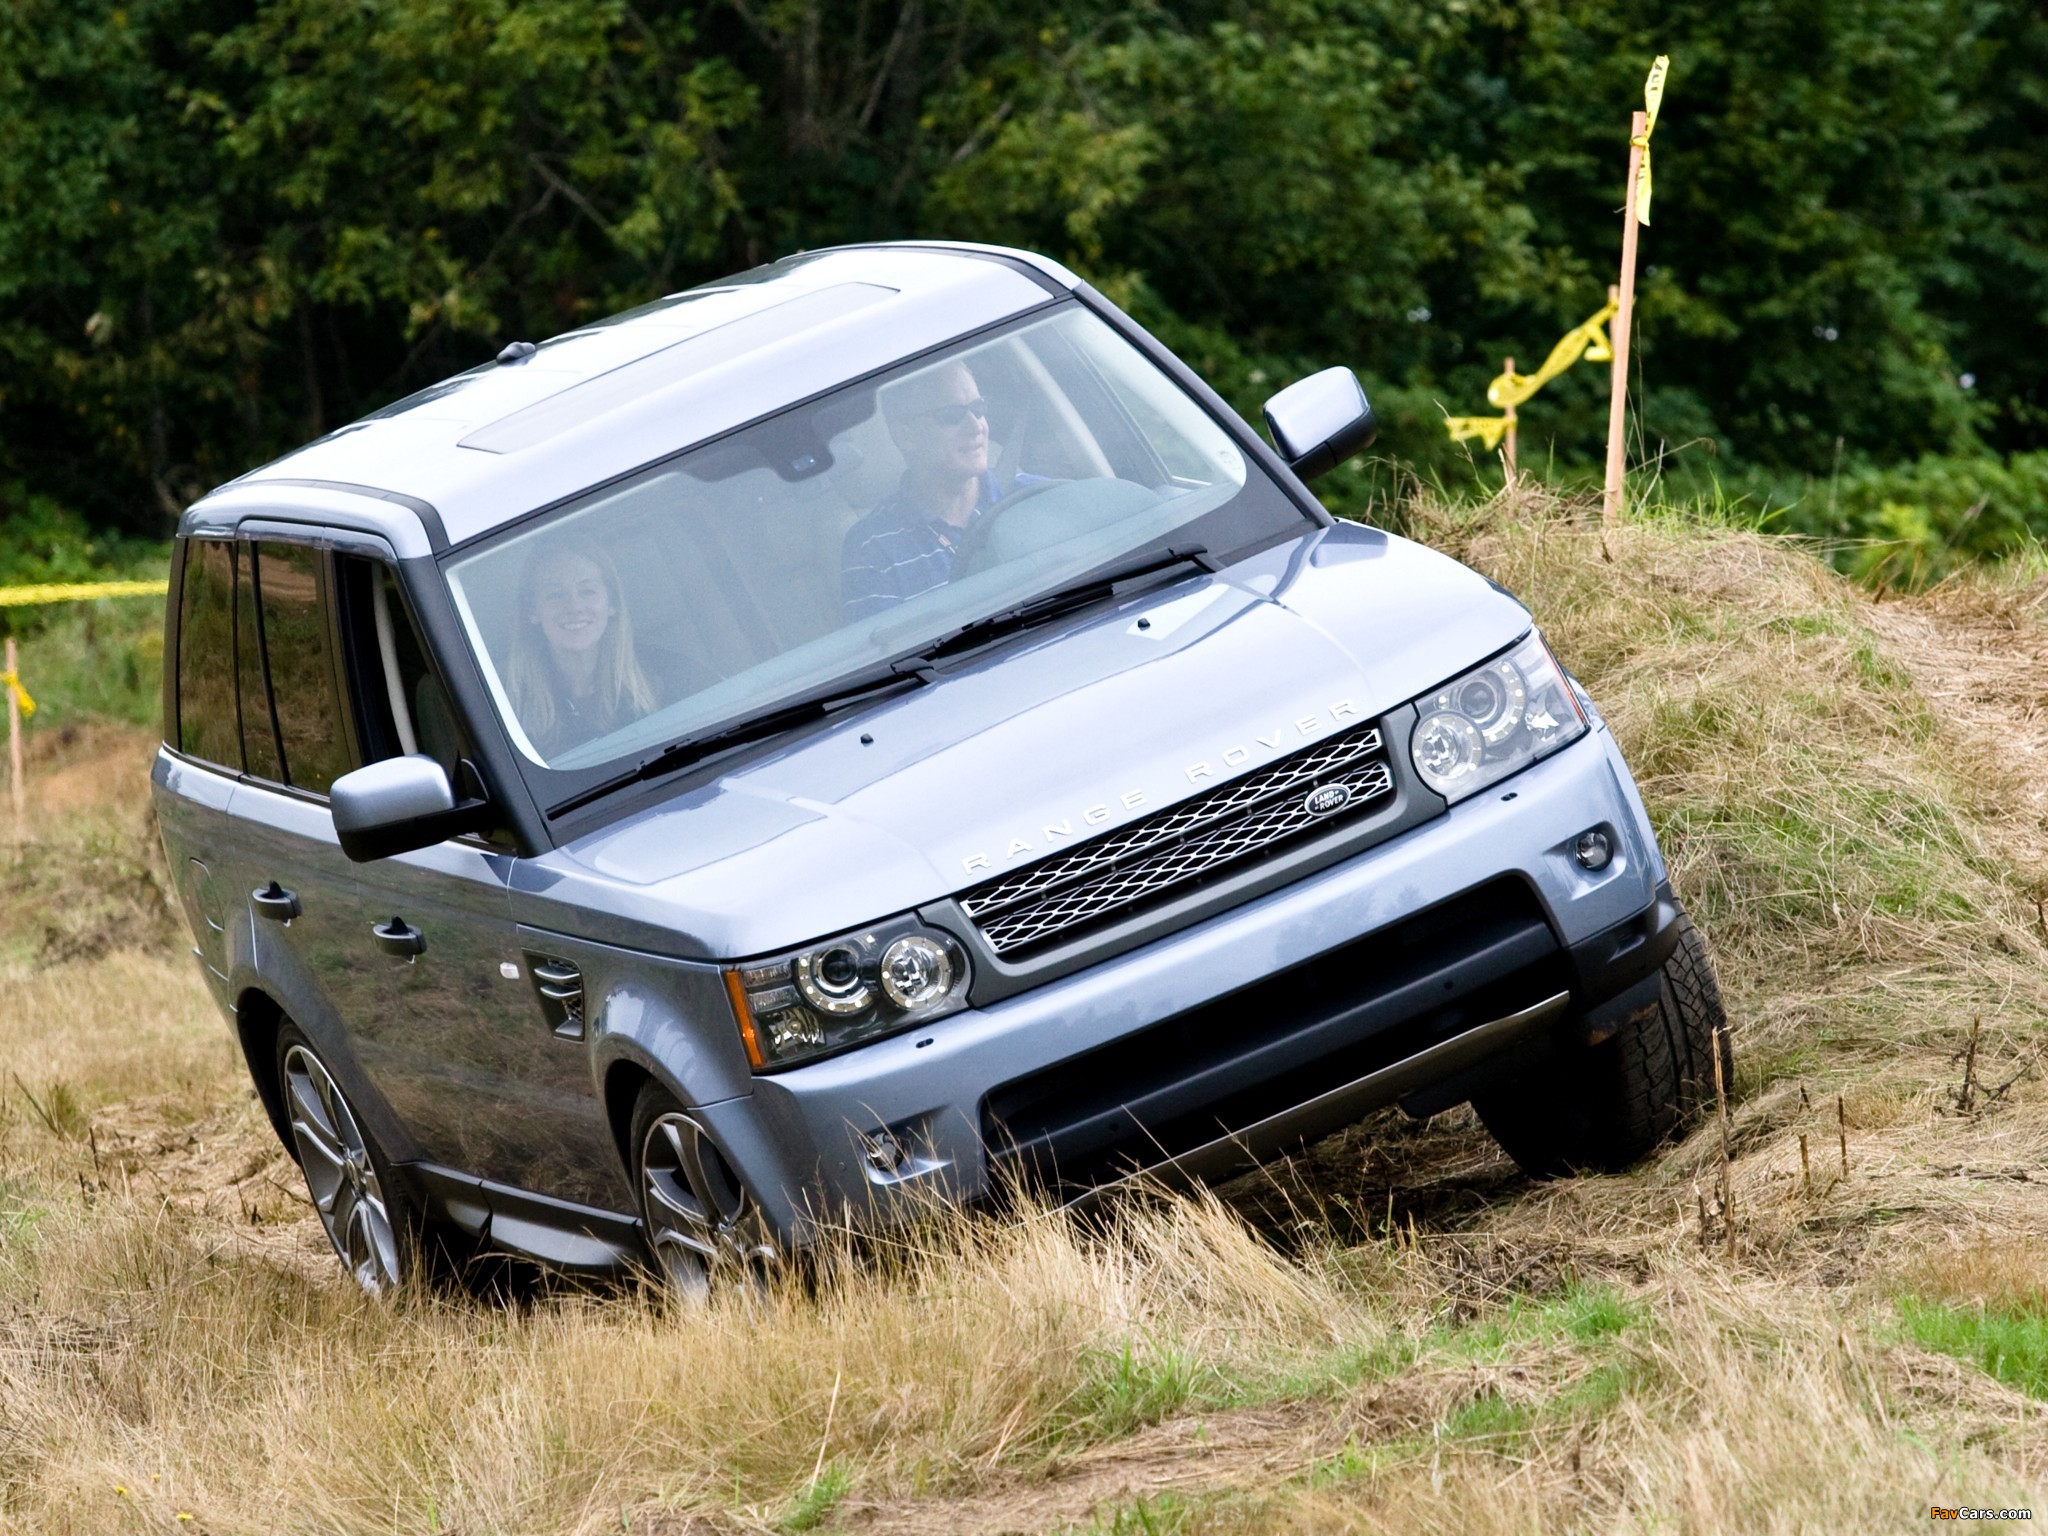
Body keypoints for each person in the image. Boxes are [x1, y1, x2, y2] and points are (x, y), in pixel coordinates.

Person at [840, 359, 1039, 619]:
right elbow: (894, 654)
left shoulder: (1033, 498)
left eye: (978, 408)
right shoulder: (872, 547)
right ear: (905, 436)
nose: (976, 425)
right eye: (951, 415)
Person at [504, 544, 658, 761]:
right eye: (555, 595)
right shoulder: (508, 714)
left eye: (587, 591)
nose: (574, 606)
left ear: (612, 603)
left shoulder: (665, 680)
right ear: (532, 611)